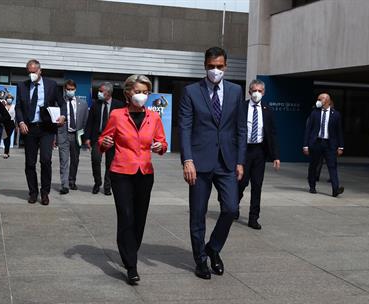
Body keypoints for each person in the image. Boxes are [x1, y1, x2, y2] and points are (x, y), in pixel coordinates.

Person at [179, 47, 247, 280]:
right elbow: (185, 128)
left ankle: (213, 248)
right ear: (204, 66)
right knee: (198, 213)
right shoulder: (191, 92)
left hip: (227, 161)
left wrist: (240, 160)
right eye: (211, 66)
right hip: (198, 162)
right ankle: (200, 260)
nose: (215, 70)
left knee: (231, 209)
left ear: (226, 66)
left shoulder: (236, 91)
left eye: (219, 66)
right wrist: (187, 160)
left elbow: (240, 128)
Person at [98, 74, 167, 285]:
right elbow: (103, 140)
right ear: (128, 92)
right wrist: (105, 142)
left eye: (145, 92)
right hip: (121, 173)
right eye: (138, 92)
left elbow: (162, 143)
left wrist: (159, 147)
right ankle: (131, 265)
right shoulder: (117, 115)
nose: (142, 96)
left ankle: (129, 250)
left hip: (145, 174)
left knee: (139, 219)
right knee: (126, 216)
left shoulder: (153, 117)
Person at [15, 59, 66, 205]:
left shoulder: (51, 84)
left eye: (34, 72)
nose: (32, 74)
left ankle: (45, 192)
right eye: (29, 72)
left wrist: (62, 115)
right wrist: (21, 121)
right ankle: (33, 192)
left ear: (40, 71)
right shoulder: (22, 86)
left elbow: (62, 103)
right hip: (29, 128)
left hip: (46, 129)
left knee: (45, 160)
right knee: (30, 163)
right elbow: (18, 106)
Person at [237, 79, 280, 230]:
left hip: (259, 152)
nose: (256, 93)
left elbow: (272, 134)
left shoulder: (267, 110)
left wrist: (275, 156)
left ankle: (253, 217)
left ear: (264, 93)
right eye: (254, 90)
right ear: (249, 92)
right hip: (243, 150)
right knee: (241, 183)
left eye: (260, 91)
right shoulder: (241, 107)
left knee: (257, 185)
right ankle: (233, 205)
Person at [84, 82, 124, 195]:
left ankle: (107, 186)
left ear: (108, 93)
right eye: (99, 91)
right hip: (98, 137)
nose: (99, 93)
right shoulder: (95, 104)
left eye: (101, 91)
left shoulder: (119, 105)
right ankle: (97, 182)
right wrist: (87, 138)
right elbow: (89, 122)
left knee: (110, 163)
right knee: (96, 160)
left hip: (113, 139)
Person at [303, 93, 344, 197]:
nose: (318, 101)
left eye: (320, 99)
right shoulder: (314, 113)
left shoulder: (336, 114)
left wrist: (341, 146)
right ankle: (312, 186)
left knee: (332, 166)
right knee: (314, 165)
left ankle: (335, 189)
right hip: (316, 143)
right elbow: (308, 129)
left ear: (326, 101)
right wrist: (305, 145)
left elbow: (339, 131)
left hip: (330, 144)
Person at [57, 80, 89, 194]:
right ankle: (64, 185)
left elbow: (85, 121)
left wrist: (84, 137)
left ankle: (72, 181)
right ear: (65, 90)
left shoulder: (83, 104)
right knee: (63, 160)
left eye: (72, 89)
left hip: (77, 135)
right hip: (64, 134)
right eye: (68, 89)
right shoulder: (60, 103)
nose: (70, 91)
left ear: (75, 90)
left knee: (75, 160)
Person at [2, 94, 16, 159]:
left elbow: (16, 117)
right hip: (4, 123)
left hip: (11, 123)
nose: (9, 99)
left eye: (10, 98)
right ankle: (7, 151)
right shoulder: (3, 106)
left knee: (8, 137)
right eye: (8, 97)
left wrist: (17, 126)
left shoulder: (14, 106)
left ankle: (6, 152)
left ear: (12, 99)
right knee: (5, 137)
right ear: (6, 98)